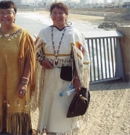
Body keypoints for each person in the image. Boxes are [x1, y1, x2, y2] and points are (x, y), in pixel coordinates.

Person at [35, 2, 90, 135]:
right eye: (55, 13)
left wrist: (78, 78)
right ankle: (50, 131)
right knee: (49, 104)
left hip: (67, 78)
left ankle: (63, 131)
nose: (58, 16)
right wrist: (42, 61)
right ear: (50, 15)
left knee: (63, 106)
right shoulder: (44, 32)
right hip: (48, 77)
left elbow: (81, 59)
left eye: (61, 13)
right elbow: (34, 51)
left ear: (66, 15)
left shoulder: (74, 33)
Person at [0, 1, 35, 135]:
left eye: (8, 13)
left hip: (16, 85)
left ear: (14, 15)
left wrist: (24, 82)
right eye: (1, 13)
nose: (5, 16)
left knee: (17, 112)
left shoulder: (23, 35)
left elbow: (30, 60)